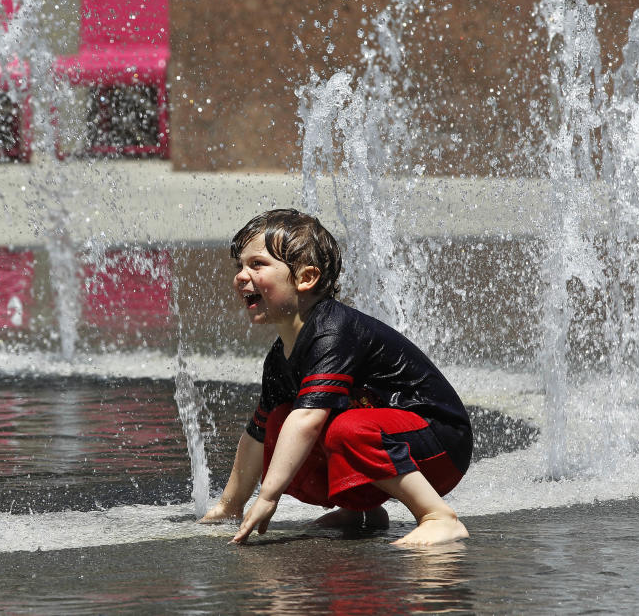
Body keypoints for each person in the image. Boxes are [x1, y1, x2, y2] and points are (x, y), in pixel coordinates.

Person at [199, 209, 472, 546]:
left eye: (257, 264)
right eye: (239, 266)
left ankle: (437, 516)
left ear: (305, 278)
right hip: (391, 442)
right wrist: (230, 506)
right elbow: (257, 437)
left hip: (439, 441)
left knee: (339, 428)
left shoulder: (333, 330)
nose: (242, 275)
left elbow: (309, 420)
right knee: (277, 424)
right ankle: (362, 512)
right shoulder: (279, 356)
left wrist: (268, 497)